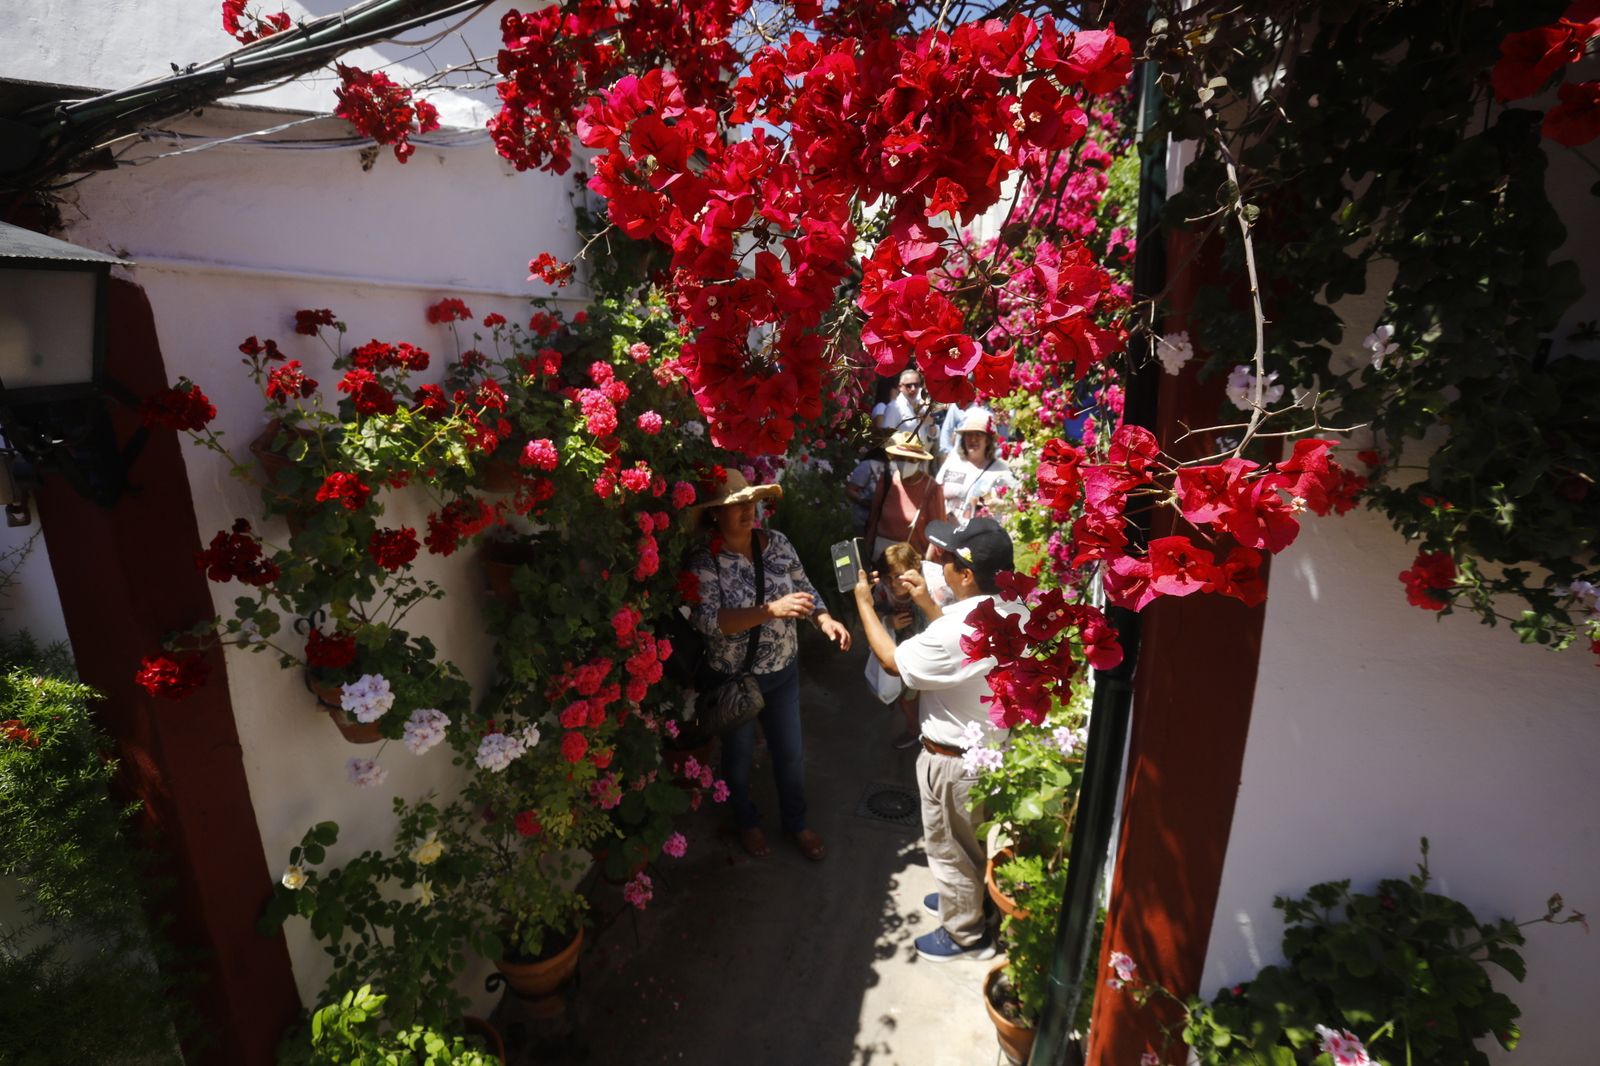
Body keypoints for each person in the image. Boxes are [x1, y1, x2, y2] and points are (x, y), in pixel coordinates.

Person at [852, 516, 1027, 961]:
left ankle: (964, 934)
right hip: (989, 750)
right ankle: (967, 903)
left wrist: (864, 605)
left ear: (966, 575)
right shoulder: (1013, 609)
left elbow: (893, 662)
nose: (938, 563)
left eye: (947, 560)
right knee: (970, 843)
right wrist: (929, 604)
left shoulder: (955, 632)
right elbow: (960, 646)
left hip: (952, 761)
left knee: (950, 849)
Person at [687, 469, 852, 861]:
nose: (747, 512)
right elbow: (709, 621)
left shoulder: (777, 543)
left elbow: (806, 588)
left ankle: (797, 823)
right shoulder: (705, 559)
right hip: (736, 680)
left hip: (782, 671)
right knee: (739, 759)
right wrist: (770, 610)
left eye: (750, 502)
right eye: (735, 506)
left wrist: (824, 619)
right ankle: (746, 820)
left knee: (790, 754)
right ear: (715, 515)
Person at [870, 541, 929, 750]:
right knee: (906, 696)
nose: (894, 583)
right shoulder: (883, 590)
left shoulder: (926, 587)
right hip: (899, 651)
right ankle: (915, 729)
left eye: (899, 576)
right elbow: (871, 615)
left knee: (918, 695)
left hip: (924, 650)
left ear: (917, 568)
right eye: (888, 577)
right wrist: (889, 623)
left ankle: (919, 730)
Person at [864, 432, 946, 559]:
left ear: (919, 461)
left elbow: (938, 533)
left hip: (911, 562)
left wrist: (928, 563)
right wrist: (868, 546)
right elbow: (874, 516)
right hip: (881, 556)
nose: (905, 463)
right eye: (901, 458)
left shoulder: (932, 489)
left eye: (911, 460)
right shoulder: (887, 479)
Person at [935, 409, 1019, 523]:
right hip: (946, 531)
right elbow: (935, 493)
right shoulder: (952, 462)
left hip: (978, 536)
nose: (973, 439)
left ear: (988, 440)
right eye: (969, 434)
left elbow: (1016, 503)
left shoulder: (1001, 471)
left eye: (978, 435)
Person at [872, 367, 940, 453]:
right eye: (908, 385)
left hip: (919, 460)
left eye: (916, 385)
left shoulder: (923, 406)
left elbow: (934, 435)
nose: (913, 389)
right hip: (900, 461)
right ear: (900, 386)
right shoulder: (894, 407)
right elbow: (886, 439)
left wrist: (931, 423)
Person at [844, 445, 888, 535]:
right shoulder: (868, 465)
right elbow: (850, 490)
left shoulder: (893, 468)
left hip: (882, 523)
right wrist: (863, 501)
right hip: (863, 521)